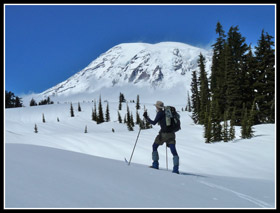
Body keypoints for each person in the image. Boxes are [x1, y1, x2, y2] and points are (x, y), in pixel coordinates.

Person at [143, 101, 180, 174]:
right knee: (173, 151)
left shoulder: (160, 113)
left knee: (154, 146)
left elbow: (153, 123)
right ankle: (176, 169)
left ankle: (155, 164)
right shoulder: (168, 113)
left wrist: (146, 117)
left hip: (163, 134)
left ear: (157, 107)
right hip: (172, 134)